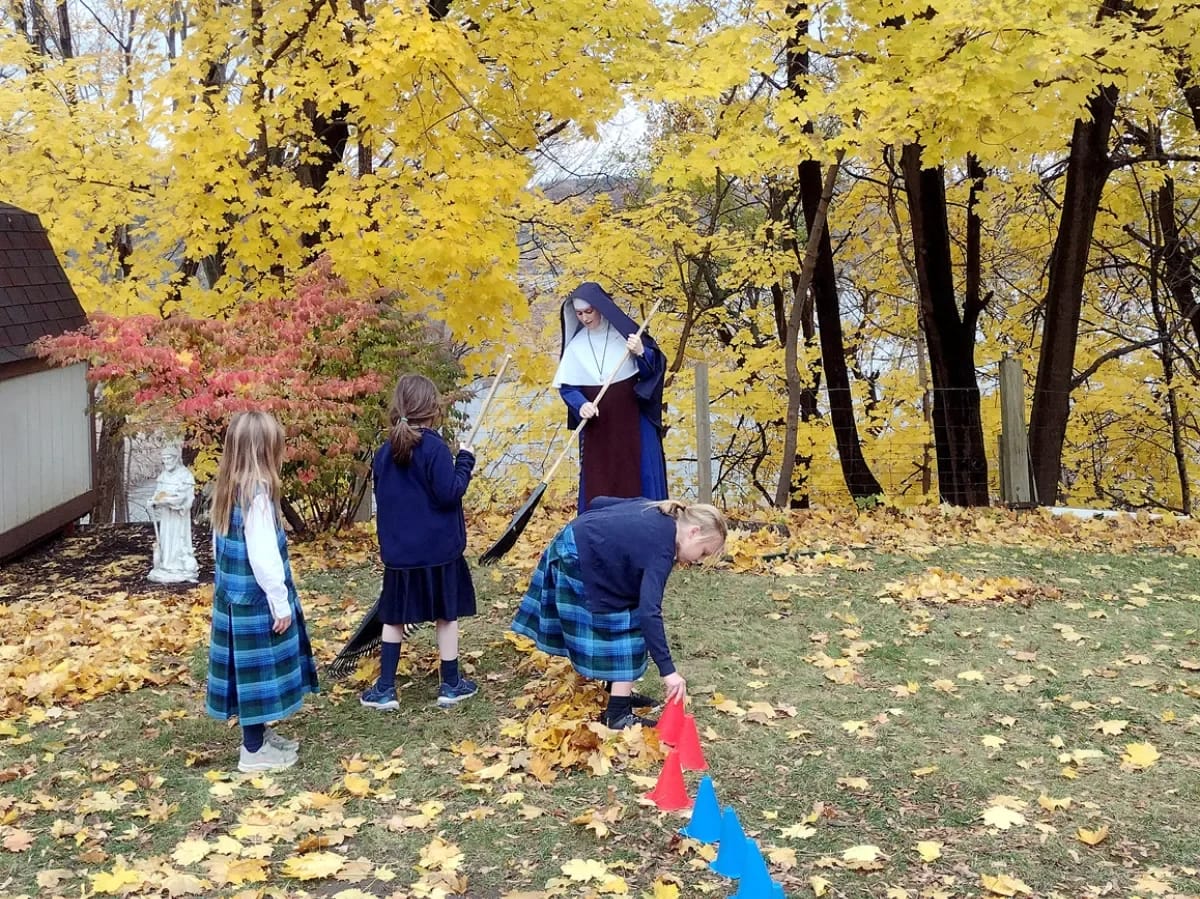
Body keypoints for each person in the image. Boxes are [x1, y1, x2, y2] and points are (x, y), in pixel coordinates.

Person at [511, 497, 727, 729]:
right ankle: (617, 714)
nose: (698, 560)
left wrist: (605, 536)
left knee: (628, 607)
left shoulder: (658, 510)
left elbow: (597, 502)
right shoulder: (661, 549)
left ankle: (617, 691)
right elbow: (649, 612)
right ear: (693, 532)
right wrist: (669, 672)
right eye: (703, 553)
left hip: (576, 539)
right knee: (629, 624)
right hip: (575, 556)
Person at [205, 411, 319, 773]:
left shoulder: (229, 487)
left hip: (233, 600)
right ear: (266, 452)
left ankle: (260, 735)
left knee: (247, 673)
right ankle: (252, 751)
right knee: (256, 675)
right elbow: (264, 557)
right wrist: (280, 602)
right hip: (255, 603)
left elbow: (218, 547)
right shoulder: (257, 495)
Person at [360, 373, 479, 711]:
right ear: (433, 407)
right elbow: (450, 492)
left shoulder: (384, 452)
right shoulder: (435, 449)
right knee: (446, 615)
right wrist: (466, 462)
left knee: (394, 618)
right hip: (439, 552)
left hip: (401, 553)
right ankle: (451, 683)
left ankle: (385, 688)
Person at [552, 282, 668, 512]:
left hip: (633, 419)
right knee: (600, 484)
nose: (585, 318)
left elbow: (652, 373)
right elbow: (567, 387)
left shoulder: (625, 337)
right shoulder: (576, 347)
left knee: (640, 477)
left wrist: (641, 352)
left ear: (600, 308)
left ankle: (647, 529)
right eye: (579, 314)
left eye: (589, 311)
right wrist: (581, 404)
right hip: (599, 428)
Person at [148, 443, 199, 583]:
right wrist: (153, 502)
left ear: (176, 458)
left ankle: (180, 566)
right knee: (166, 539)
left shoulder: (185, 475)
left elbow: (189, 497)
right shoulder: (163, 476)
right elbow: (158, 494)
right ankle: (166, 564)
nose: (166, 462)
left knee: (178, 539)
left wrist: (175, 502)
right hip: (166, 517)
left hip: (179, 517)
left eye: (169, 458)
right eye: (164, 459)